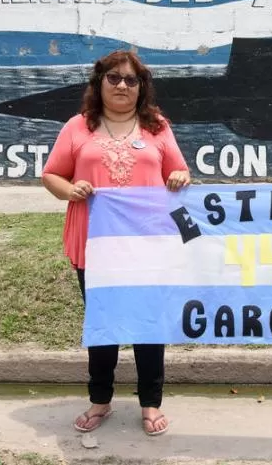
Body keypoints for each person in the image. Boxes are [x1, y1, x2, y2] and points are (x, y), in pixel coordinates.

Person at [41, 49, 191, 437]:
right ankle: (100, 400)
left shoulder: (157, 126)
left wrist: (177, 178)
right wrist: (72, 190)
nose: (122, 85)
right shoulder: (78, 127)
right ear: (99, 83)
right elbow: (51, 175)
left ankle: (150, 403)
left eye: (131, 80)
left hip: (147, 244)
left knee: (148, 325)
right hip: (95, 243)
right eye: (114, 78)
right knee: (103, 322)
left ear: (141, 88)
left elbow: (179, 168)